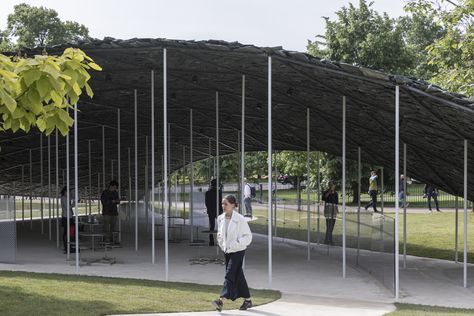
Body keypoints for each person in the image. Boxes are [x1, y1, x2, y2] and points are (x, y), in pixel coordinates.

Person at [212, 195, 253, 312]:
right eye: (222, 204)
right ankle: (248, 300)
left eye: (225, 204)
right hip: (227, 251)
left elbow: (248, 237)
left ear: (233, 205)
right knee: (238, 275)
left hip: (238, 251)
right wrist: (223, 246)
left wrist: (236, 244)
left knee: (229, 274)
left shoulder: (240, 219)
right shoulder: (220, 218)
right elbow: (220, 235)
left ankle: (220, 301)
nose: (223, 206)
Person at [205, 179, 223, 246]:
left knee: (212, 226)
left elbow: (206, 203)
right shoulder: (219, 192)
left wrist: (209, 209)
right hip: (218, 211)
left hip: (211, 211)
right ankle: (220, 240)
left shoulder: (208, 193)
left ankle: (211, 241)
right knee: (220, 226)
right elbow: (220, 202)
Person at [60, 186, 75, 254]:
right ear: (65, 192)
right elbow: (67, 207)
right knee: (67, 232)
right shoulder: (64, 198)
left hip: (69, 217)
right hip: (66, 217)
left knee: (70, 231)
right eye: (68, 192)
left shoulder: (67, 198)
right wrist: (74, 204)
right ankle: (67, 247)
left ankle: (69, 246)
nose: (69, 193)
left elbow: (73, 198)